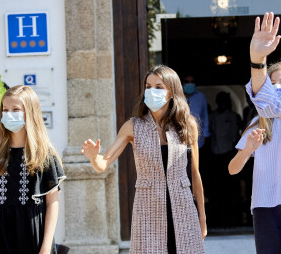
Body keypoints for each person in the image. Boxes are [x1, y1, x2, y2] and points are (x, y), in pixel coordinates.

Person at [82, 65, 206, 254]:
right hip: (148, 211)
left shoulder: (187, 124)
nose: (151, 91)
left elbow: (195, 175)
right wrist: (93, 157)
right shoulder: (133, 126)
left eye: (158, 87)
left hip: (183, 209)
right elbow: (103, 164)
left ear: (171, 92)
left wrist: (202, 219)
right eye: (148, 86)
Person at [229, 61, 281, 254]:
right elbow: (233, 169)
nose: (277, 87)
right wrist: (248, 149)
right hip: (265, 206)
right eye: (272, 83)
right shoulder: (259, 123)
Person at [0, 85, 66, 254]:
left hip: (34, 231)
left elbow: (52, 203)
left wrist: (46, 246)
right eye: (5, 110)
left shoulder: (45, 155)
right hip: (1, 233)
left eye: (15, 109)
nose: (9, 114)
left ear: (30, 112)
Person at [209, 91, 241, 226]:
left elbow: (236, 137)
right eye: (220, 99)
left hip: (229, 154)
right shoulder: (213, 116)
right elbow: (209, 133)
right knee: (216, 187)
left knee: (230, 187)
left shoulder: (234, 116)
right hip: (215, 154)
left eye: (224, 100)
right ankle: (217, 217)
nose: (222, 102)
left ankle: (232, 217)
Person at [182, 75, 210, 149]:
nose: (189, 84)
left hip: (198, 138)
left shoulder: (201, 97)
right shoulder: (176, 97)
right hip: (180, 139)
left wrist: (205, 134)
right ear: (182, 83)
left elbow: (205, 116)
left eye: (192, 82)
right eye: (187, 82)